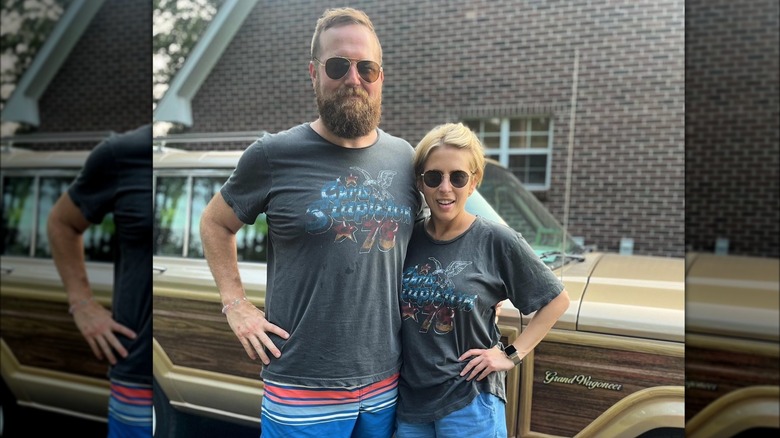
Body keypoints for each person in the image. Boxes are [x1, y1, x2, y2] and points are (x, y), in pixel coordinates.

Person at [199, 7, 421, 438]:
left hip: (387, 383)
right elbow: (214, 223)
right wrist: (235, 304)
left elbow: (435, 240)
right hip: (301, 385)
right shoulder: (272, 155)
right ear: (314, 73)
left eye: (367, 68)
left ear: (381, 77)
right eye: (338, 66)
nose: (353, 79)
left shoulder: (406, 158)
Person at [396, 123, 571, 437]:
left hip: (470, 401)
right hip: (411, 402)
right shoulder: (407, 237)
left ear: (473, 182)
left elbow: (557, 300)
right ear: (421, 182)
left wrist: (509, 355)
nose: (445, 188)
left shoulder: (497, 240)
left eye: (458, 177)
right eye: (434, 177)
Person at [47, 124, 153, 438]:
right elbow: (62, 222)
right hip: (137, 367)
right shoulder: (123, 153)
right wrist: (82, 304)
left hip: (196, 370)